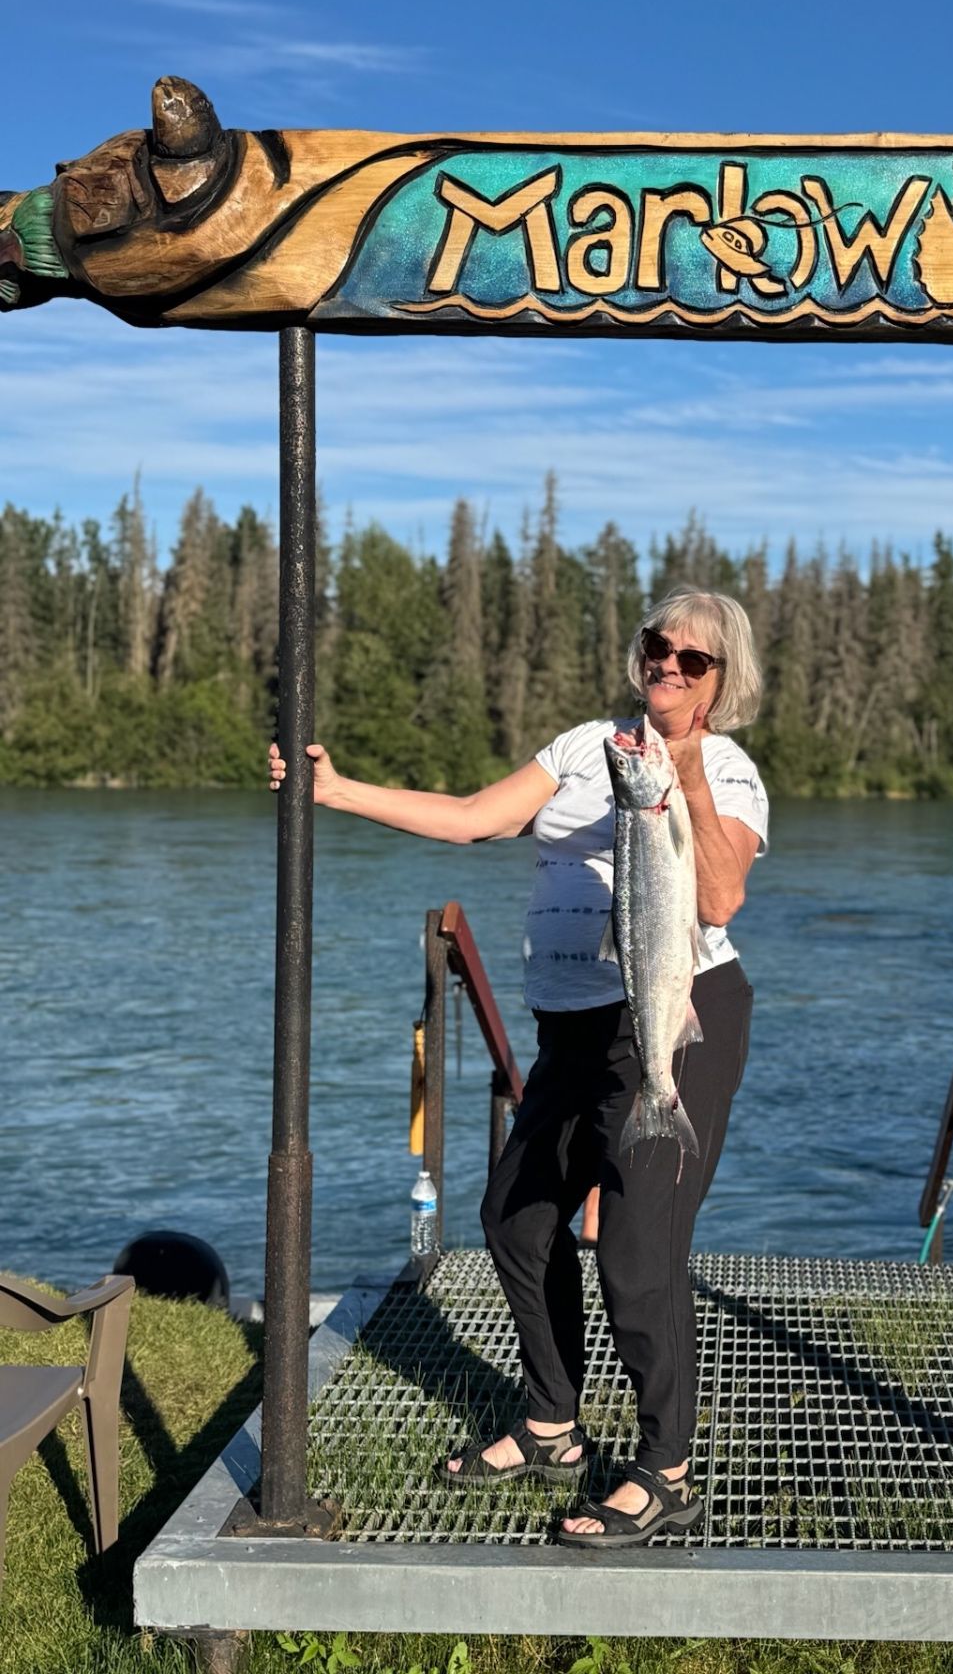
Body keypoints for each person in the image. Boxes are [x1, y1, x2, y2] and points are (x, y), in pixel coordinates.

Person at [268, 588, 767, 1546]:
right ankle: (551, 1423)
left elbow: (721, 893)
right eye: (656, 647)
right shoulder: (592, 748)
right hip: (571, 1031)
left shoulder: (731, 773)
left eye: (691, 659)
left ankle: (667, 1467)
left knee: (636, 1251)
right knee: (516, 1220)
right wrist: (334, 790)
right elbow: (473, 818)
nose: (666, 664)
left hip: (667, 1025)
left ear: (720, 680)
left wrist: (688, 772)